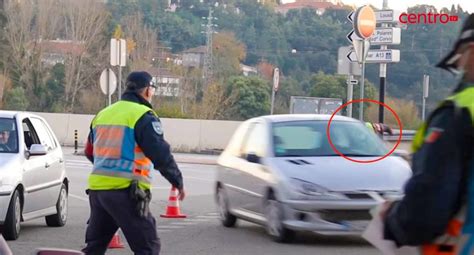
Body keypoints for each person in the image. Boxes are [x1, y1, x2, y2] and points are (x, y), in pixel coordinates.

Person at [381, 14, 474, 254]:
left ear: (472, 53)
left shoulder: (460, 113)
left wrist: (392, 218)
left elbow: (427, 210)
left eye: (460, 61)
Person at [82, 71, 185, 255]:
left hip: (98, 193)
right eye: (152, 89)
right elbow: (160, 153)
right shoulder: (143, 115)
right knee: (148, 247)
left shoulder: (103, 114)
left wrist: (107, 168)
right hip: (126, 192)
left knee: (94, 248)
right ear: (146, 90)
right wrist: (177, 181)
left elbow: (90, 152)